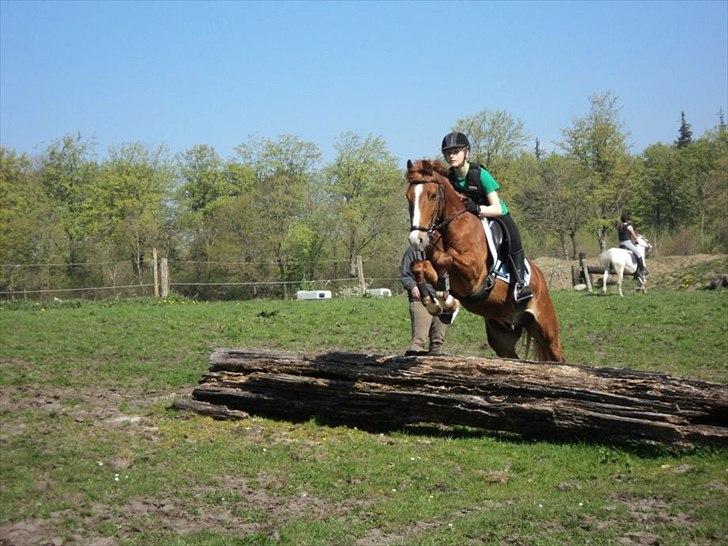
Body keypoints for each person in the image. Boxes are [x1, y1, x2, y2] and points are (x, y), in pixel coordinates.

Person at [440, 131, 533, 302]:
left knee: (512, 236)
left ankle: (520, 283)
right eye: (448, 152)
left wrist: (478, 208)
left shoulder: (480, 174)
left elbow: (497, 207)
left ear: (466, 152)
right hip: (468, 220)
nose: (452, 156)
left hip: (494, 213)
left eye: (456, 151)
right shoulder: (449, 178)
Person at [400, 245, 447, 356]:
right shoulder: (412, 251)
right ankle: (407, 369)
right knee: (419, 340)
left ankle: (436, 369)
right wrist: (412, 286)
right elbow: (405, 275)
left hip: (440, 297)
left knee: (438, 342)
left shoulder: (442, 250)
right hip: (420, 299)